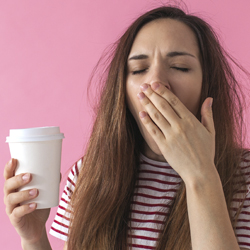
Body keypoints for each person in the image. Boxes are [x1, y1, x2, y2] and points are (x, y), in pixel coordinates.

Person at [4, 5, 250, 250]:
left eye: (179, 67)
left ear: (208, 84)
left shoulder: (245, 177)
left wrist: (201, 175)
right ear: (122, 91)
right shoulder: (88, 175)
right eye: (138, 69)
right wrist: (34, 238)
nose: (155, 83)